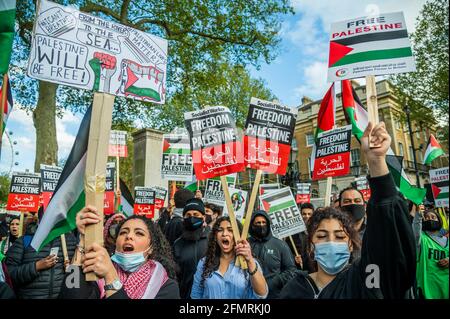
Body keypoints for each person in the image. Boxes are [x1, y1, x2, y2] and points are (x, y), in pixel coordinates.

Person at [279, 121, 416, 299]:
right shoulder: (295, 289)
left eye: (340, 236)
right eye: (321, 236)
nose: (331, 242)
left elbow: (392, 248)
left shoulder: (367, 278)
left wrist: (376, 163)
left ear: (351, 244)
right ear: (311, 246)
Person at [59, 206, 180, 299]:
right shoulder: (96, 273)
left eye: (139, 233)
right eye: (123, 232)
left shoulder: (164, 285)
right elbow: (71, 291)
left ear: (151, 247)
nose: (129, 236)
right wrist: (83, 241)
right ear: (115, 242)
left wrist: (111, 277)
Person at [191, 216, 268, 299]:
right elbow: (196, 294)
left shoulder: (250, 262)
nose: (224, 234)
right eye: (220, 230)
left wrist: (249, 260)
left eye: (230, 230)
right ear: (215, 237)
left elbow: (262, 294)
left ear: (238, 236)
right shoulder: (204, 263)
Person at [5, 213, 77, 299]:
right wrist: (36, 266)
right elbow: (9, 275)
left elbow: (75, 284)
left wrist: (72, 271)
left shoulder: (71, 242)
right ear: (40, 218)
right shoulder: (25, 241)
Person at [248, 210, 297, 298]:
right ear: (252, 225)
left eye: (264, 222)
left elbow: (291, 270)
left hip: (274, 295)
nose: (261, 225)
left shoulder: (280, 245)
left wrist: (274, 282)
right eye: (258, 223)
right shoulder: (246, 244)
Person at [173, 198, 210, 298]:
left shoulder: (213, 241)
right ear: (183, 217)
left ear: (204, 217)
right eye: (188, 215)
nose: (192, 218)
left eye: (196, 215)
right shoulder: (178, 244)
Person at [412, 208, 449, 299]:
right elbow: (416, 230)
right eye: (427, 218)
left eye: (433, 217)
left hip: (446, 288)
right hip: (427, 290)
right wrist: (418, 213)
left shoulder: (448, 241)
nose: (430, 219)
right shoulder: (421, 239)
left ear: (439, 220)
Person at [338, 186, 367, 260]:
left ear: (364, 205)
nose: (352, 204)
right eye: (347, 201)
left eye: (357, 201)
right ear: (339, 206)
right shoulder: (333, 231)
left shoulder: (376, 228)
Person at [287, 203, 315, 272]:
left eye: (309, 214)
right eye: (304, 214)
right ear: (300, 215)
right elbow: (287, 250)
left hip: (315, 269)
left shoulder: (318, 230)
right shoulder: (293, 233)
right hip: (301, 270)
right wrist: (294, 258)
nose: (307, 216)